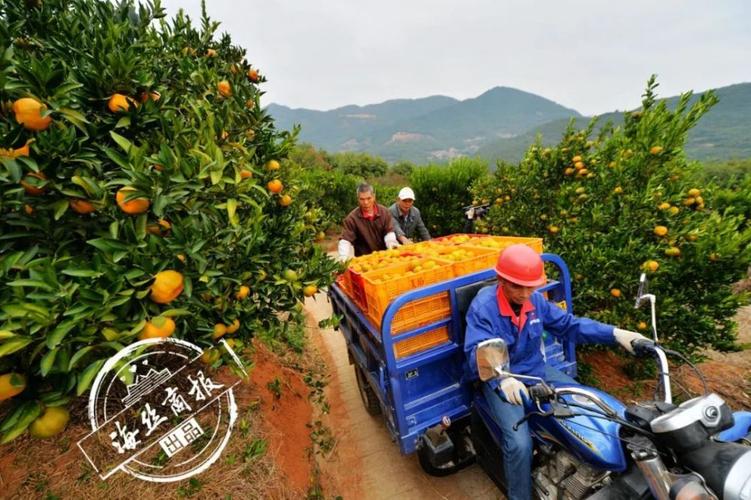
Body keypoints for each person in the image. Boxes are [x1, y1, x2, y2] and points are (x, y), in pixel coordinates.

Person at [463, 244, 647, 500]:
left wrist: (615, 334)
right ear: (501, 280)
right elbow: (475, 350)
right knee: (519, 444)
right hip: (498, 379)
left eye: (531, 286)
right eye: (517, 286)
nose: (525, 293)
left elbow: (569, 325)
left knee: (589, 405)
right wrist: (502, 376)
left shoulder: (535, 301)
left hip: (536, 371)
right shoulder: (484, 307)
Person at [338, 183, 399, 260]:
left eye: (368, 198)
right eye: (362, 199)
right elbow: (345, 240)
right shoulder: (352, 218)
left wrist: (391, 243)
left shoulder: (384, 212)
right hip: (364, 261)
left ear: (374, 197)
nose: (366, 202)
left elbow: (389, 232)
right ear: (358, 199)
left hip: (384, 258)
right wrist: (343, 257)